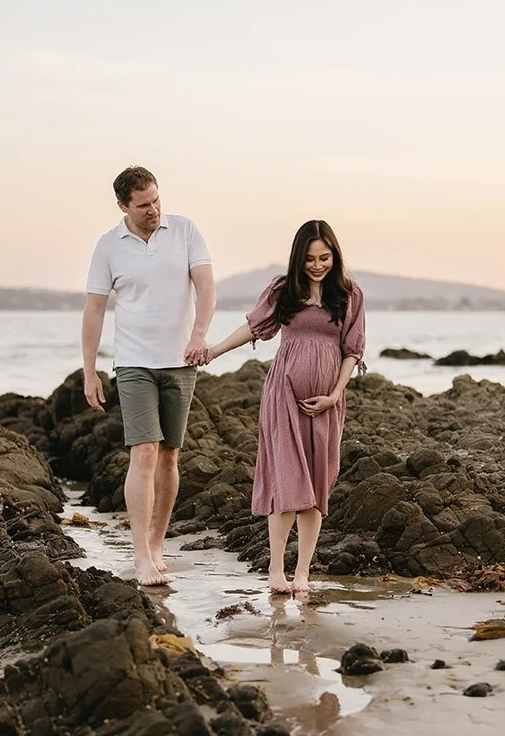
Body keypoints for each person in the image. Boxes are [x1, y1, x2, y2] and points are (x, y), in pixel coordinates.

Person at [206, 220, 365, 596]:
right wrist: (214, 351)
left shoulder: (349, 294)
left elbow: (352, 351)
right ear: (299, 257)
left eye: (325, 257)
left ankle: (303, 574)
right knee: (288, 482)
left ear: (335, 256)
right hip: (284, 397)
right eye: (310, 258)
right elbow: (254, 328)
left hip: (327, 404)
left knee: (316, 488)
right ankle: (276, 570)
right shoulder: (283, 290)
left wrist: (334, 395)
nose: (317, 265)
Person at [82, 166, 215, 587]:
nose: (154, 209)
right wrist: (90, 372)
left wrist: (199, 334)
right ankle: (140, 555)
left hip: (181, 361)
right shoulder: (108, 246)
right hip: (134, 363)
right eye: (143, 205)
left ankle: (157, 544)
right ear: (124, 206)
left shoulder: (185, 231)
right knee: (144, 452)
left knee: (171, 455)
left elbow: (207, 287)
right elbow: (95, 311)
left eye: (157, 200)